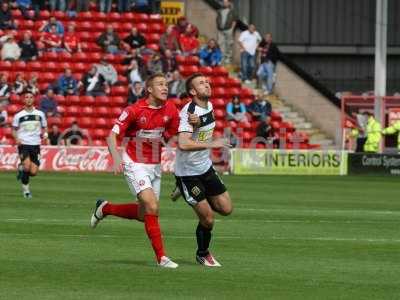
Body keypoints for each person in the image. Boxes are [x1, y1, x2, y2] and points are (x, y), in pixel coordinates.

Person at [89, 73, 198, 268]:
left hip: (154, 164)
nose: (165, 87)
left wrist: (193, 123)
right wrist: (115, 158)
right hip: (134, 162)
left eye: (166, 84)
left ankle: (105, 208)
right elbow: (111, 136)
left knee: (145, 213)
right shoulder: (134, 110)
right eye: (160, 84)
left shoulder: (171, 109)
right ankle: (162, 258)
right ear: (149, 89)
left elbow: (179, 135)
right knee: (152, 207)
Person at [173, 73, 233, 267]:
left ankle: (185, 192)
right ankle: (202, 253)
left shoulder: (209, 106)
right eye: (201, 83)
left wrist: (200, 123)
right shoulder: (187, 112)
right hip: (188, 173)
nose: (207, 84)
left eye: (208, 81)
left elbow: (203, 121)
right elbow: (183, 143)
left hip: (205, 167)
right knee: (208, 219)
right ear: (192, 91)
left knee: (226, 209)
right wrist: (213, 144)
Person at [12, 91, 48, 198]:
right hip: (24, 144)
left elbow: (45, 127)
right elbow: (14, 129)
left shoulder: (40, 114)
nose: (28, 99)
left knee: (33, 172)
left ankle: (21, 168)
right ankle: (26, 191)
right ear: (24, 99)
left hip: (36, 145)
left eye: (31, 97)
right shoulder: (19, 115)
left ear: (34, 99)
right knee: (27, 167)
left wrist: (45, 134)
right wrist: (17, 138)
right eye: (26, 97)